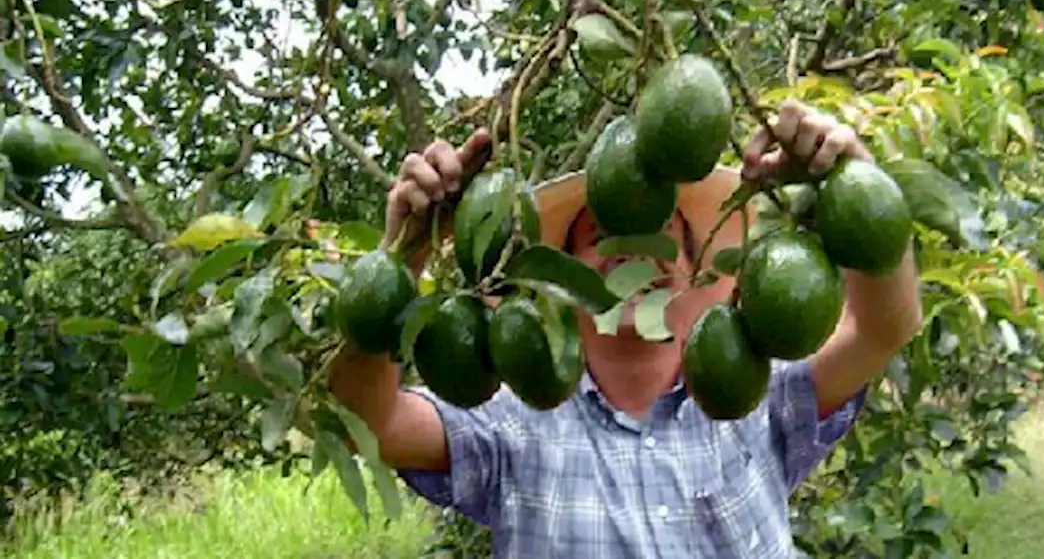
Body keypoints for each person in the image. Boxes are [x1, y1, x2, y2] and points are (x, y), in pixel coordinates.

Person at [329, 99, 924, 558]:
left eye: (661, 234)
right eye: (602, 236)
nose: (635, 251)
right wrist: (405, 251)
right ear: (556, 280)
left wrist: (850, 176)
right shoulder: (512, 422)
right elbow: (365, 419)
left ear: (699, 274)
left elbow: (884, 327)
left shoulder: (755, 396)